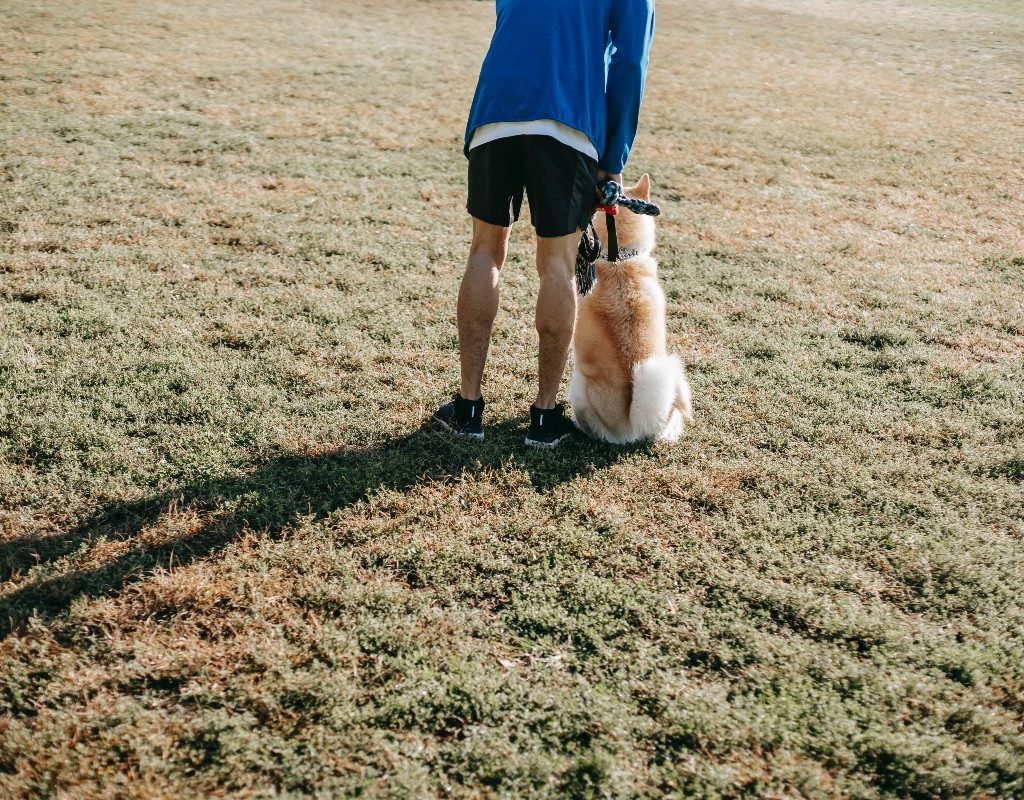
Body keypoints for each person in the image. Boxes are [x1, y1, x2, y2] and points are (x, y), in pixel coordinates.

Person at [433, 0, 656, 448]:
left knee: (484, 250)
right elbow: (630, 60)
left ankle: (468, 407)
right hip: (568, 116)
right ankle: (543, 416)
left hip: (495, 109)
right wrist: (613, 162)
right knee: (557, 264)